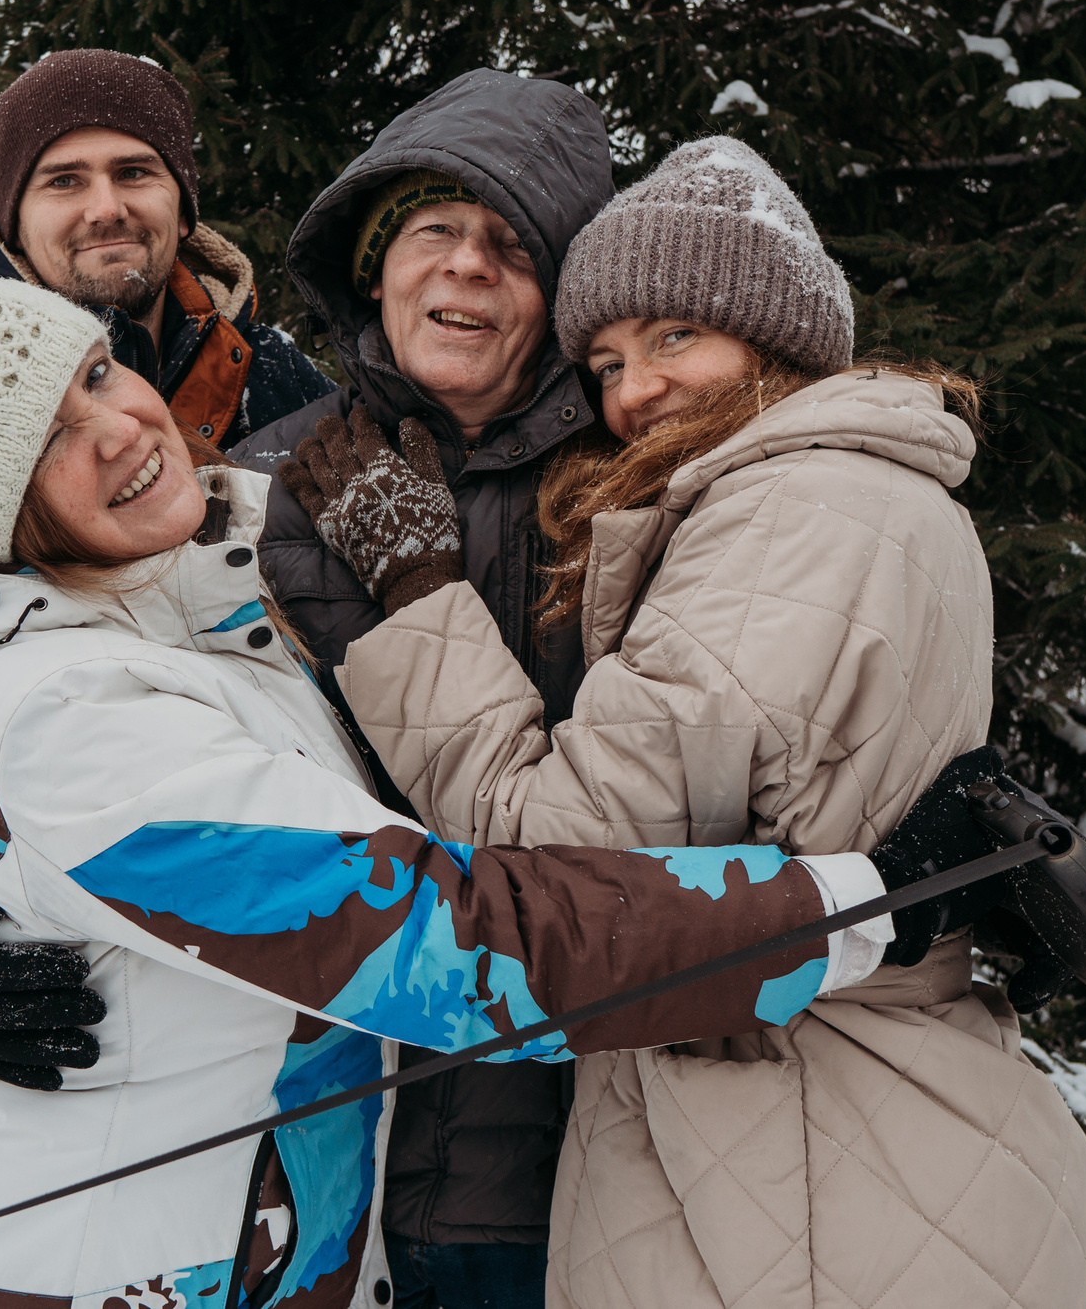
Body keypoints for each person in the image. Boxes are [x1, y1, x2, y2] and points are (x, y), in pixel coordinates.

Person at [0, 276, 1020, 1309]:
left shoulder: (171, 574)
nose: (120, 424)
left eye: (94, 373)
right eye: (41, 440)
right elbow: (448, 945)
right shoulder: (70, 723)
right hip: (83, 1274)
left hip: (248, 1250)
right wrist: (865, 906)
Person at [284, 138, 1086, 1309]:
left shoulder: (796, 509)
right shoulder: (833, 489)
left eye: (677, 336)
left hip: (801, 1150)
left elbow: (554, 848)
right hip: (809, 1124)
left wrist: (417, 595)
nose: (636, 389)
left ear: (774, 339)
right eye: (608, 361)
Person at [0, 50, 336, 1074]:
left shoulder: (268, 378)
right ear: (8, 211)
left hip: (268, 889)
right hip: (53, 927)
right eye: (64, 179)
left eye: (135, 172)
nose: (106, 206)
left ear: (181, 197)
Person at [225, 68, 610, 1307]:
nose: (464, 268)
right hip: (293, 1127)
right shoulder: (251, 483)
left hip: (544, 1151)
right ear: (373, 267)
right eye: (432, 231)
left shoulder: (630, 493)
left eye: (511, 245)